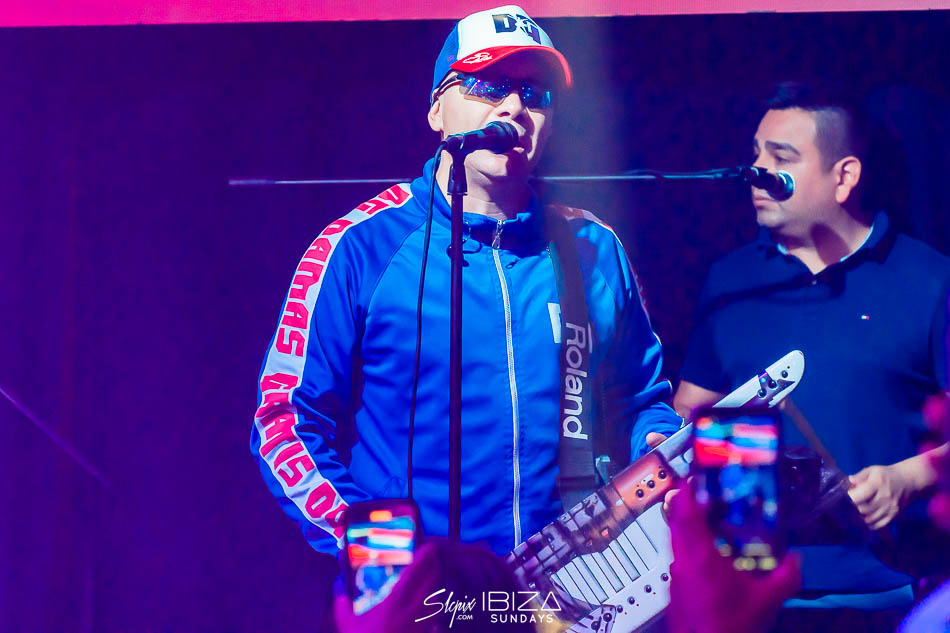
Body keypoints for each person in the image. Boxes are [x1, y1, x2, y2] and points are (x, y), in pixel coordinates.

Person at [251, 4, 680, 563]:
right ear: (436, 109)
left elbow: (640, 399)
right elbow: (284, 423)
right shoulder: (359, 247)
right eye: (488, 85)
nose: (514, 108)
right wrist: (386, 559)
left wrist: (657, 443)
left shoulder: (593, 248)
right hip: (418, 593)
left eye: (535, 94)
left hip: (573, 587)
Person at [671, 81, 950, 630]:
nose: (757, 170)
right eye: (756, 154)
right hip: (746, 594)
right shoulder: (731, 280)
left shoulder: (931, 281)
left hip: (887, 592)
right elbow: (688, 412)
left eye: (781, 158)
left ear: (844, 177)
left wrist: (908, 478)